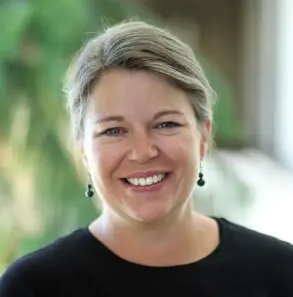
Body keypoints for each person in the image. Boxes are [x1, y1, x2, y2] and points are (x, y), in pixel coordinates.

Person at [1, 20, 293, 297]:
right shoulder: (32, 288)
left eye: (166, 124)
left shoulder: (281, 273)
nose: (142, 152)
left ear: (203, 137)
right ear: (83, 151)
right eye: (114, 130)